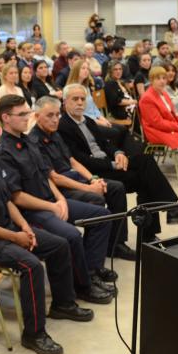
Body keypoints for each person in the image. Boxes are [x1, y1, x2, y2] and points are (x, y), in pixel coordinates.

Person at [0, 120, 93, 354]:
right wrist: (16, 236)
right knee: (31, 266)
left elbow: (7, 201)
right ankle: (34, 334)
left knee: (59, 244)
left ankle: (63, 304)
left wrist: (25, 227)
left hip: (8, 230)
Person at [0, 95, 115, 304]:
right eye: (22, 114)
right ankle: (81, 288)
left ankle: (91, 272)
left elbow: (46, 175)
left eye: (27, 112)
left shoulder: (27, 141)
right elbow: (17, 197)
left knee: (102, 216)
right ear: (5, 118)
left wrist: (59, 199)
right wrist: (52, 206)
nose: (27, 118)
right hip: (31, 211)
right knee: (71, 236)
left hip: (51, 201)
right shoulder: (3, 151)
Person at [58, 85, 178, 238]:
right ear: (65, 101)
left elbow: (105, 144)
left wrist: (118, 153)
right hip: (93, 171)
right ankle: (170, 211)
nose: (80, 102)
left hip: (108, 163)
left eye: (82, 99)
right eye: (75, 99)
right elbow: (80, 159)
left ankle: (154, 229)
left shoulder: (88, 121)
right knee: (145, 177)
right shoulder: (63, 126)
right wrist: (113, 164)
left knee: (146, 165)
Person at [29, 96, 132, 261]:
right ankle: (90, 256)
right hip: (61, 188)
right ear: (37, 116)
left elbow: (73, 161)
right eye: (49, 115)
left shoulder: (55, 134)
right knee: (96, 198)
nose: (55, 120)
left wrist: (93, 179)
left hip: (74, 179)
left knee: (116, 188)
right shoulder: (34, 141)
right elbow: (54, 178)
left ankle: (116, 244)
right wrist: (89, 188)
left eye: (57, 115)